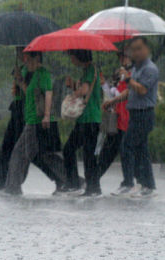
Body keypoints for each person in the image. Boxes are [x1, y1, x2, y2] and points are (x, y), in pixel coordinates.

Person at [0, 48, 64, 194]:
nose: (20, 56)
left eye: (22, 52)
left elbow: (35, 93)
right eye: (18, 53)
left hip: (28, 113)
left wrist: (21, 82)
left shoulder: (37, 72)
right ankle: (2, 182)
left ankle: (63, 179)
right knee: (10, 148)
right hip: (19, 110)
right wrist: (16, 85)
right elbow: (19, 92)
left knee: (31, 153)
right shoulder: (21, 69)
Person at [103, 37, 157, 197]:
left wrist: (127, 79)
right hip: (135, 113)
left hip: (144, 113)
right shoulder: (137, 69)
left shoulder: (150, 69)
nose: (135, 53)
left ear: (146, 50)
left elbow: (141, 90)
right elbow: (130, 91)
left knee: (126, 146)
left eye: (138, 49)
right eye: (133, 50)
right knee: (142, 151)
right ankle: (148, 185)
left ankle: (128, 183)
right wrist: (113, 101)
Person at [60, 49, 103, 196]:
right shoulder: (86, 71)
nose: (71, 59)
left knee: (85, 153)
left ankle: (90, 187)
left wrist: (73, 95)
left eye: (72, 56)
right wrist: (72, 85)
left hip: (90, 119)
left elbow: (84, 90)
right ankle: (83, 185)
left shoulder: (91, 69)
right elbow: (85, 89)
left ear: (79, 56)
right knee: (75, 151)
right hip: (85, 119)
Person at [98, 51, 132, 189]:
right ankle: (95, 177)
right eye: (120, 57)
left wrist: (115, 96)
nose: (121, 60)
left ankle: (130, 182)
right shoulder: (120, 74)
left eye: (124, 56)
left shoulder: (133, 73)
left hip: (127, 118)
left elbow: (128, 93)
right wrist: (104, 85)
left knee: (124, 151)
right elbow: (112, 93)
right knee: (108, 151)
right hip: (117, 118)